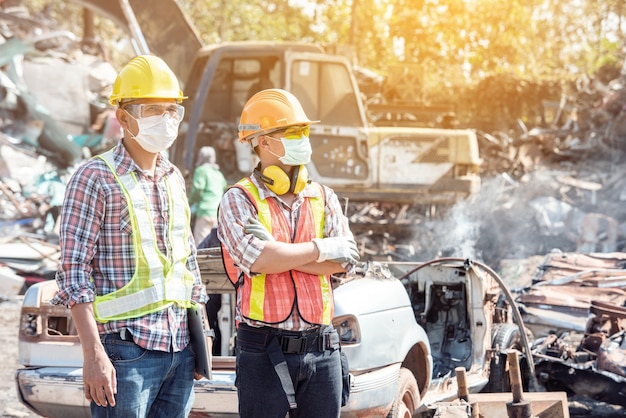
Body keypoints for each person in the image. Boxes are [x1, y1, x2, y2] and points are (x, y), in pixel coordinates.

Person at [51, 54, 210, 418]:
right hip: (125, 354)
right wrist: (93, 354)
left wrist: (202, 339)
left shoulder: (173, 178)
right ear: (123, 117)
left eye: (172, 110)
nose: (167, 119)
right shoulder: (94, 177)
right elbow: (73, 272)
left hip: (180, 352)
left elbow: (187, 265)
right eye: (154, 109)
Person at [217, 88, 360, 418]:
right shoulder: (240, 198)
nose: (303, 139)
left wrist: (281, 256)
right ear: (264, 142)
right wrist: (320, 249)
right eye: (293, 132)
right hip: (262, 349)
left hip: (322, 346)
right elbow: (257, 259)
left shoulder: (323, 197)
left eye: (304, 131)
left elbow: (345, 263)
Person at [189, 146, 227, 245]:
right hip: (217, 213)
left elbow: (198, 189)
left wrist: (188, 203)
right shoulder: (219, 174)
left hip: (204, 212)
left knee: (201, 246)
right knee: (213, 246)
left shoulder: (201, 170)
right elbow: (223, 189)